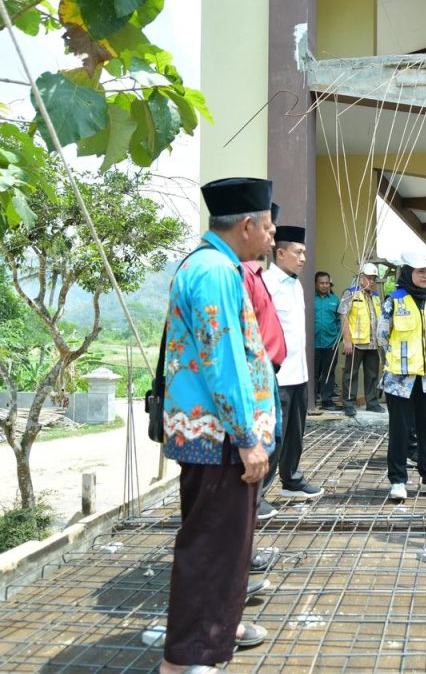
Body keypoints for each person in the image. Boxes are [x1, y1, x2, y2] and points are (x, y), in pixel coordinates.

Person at [159, 177, 277, 672]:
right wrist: (247, 437)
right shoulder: (215, 272)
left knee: (224, 545)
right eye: (268, 227)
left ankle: (217, 632)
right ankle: (188, 659)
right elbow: (223, 361)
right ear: (247, 225)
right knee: (212, 547)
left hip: (213, 435)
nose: (272, 236)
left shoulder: (212, 264)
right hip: (220, 438)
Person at [379, 246, 426, 500]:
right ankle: (398, 481)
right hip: (400, 379)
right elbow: (382, 336)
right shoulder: (394, 300)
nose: (425, 276)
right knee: (400, 431)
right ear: (408, 272)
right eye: (420, 271)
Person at [263, 225, 324, 499]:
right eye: (298, 252)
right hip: (277, 376)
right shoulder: (266, 284)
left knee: (295, 434)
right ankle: (259, 494)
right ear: (280, 253)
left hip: (299, 373)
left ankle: (291, 480)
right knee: (274, 435)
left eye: (304, 253)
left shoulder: (296, 285)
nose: (303, 258)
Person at [241, 202, 286, 525]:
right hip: (252, 382)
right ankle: (252, 503)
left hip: (268, 375)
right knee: (256, 449)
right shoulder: (240, 275)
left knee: (274, 441)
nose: (272, 239)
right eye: (268, 231)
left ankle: (255, 501)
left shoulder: (255, 274)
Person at [339, 263, 384, 417]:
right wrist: (347, 340)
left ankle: (372, 402)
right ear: (361, 278)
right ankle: (348, 404)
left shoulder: (376, 296)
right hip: (356, 343)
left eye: (374, 279)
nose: (371, 281)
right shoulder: (351, 293)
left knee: (372, 374)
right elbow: (343, 316)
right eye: (369, 278)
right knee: (351, 374)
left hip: (373, 343)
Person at [313, 270, 340, 410]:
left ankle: (326, 401)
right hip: (313, 344)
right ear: (316, 284)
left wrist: (338, 338)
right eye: (321, 283)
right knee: (313, 373)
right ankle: (311, 399)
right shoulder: (309, 298)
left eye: (327, 283)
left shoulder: (335, 300)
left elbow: (340, 320)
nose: (324, 285)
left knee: (328, 373)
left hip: (331, 343)